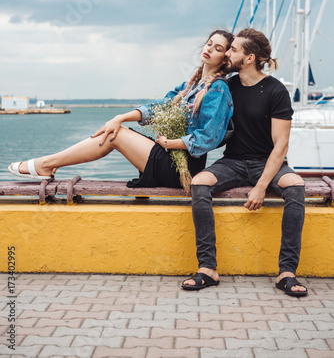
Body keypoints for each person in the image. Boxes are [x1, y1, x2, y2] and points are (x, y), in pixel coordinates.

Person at [9, 30, 234, 190]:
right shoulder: (189, 86)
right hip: (169, 156)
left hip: (184, 169)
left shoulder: (218, 89)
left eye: (218, 48)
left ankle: (45, 164)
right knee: (115, 129)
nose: (209, 49)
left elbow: (208, 137)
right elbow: (157, 107)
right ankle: (47, 164)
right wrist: (120, 116)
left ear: (224, 58)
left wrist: (171, 143)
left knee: (115, 135)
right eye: (209, 43)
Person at [182, 28, 308, 297]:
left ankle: (286, 271)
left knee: (296, 186)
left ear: (249, 58)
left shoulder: (276, 91)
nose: (227, 53)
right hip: (234, 163)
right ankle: (208, 268)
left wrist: (261, 186)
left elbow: (281, 145)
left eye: (233, 49)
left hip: (268, 163)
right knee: (200, 183)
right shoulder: (227, 88)